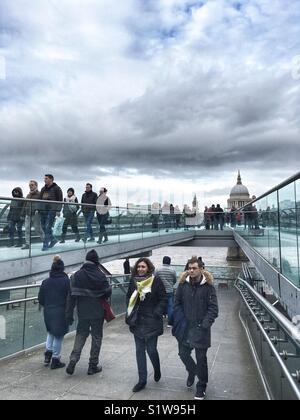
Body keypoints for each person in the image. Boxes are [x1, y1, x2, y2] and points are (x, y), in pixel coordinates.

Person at [173, 256, 218, 400]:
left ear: (201, 269)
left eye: (194, 268)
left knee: (201, 359)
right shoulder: (182, 285)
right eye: (189, 268)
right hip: (185, 327)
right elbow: (176, 303)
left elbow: (213, 309)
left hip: (201, 328)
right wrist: (180, 319)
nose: (191, 270)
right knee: (183, 354)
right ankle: (192, 371)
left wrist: (204, 324)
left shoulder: (208, 287)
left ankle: (201, 386)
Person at [66, 249, 112, 376]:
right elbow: (107, 292)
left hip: (82, 311)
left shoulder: (76, 275)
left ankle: (73, 359)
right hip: (97, 311)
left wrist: (68, 314)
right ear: (96, 261)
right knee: (96, 337)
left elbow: (71, 297)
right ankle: (93, 365)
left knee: (81, 334)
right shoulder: (100, 275)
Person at [126, 258, 167, 393]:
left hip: (152, 321)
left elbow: (163, 299)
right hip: (137, 321)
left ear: (148, 268)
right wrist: (130, 311)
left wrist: (157, 312)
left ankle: (157, 368)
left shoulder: (156, 281)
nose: (140, 269)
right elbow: (128, 297)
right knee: (139, 351)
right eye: (138, 267)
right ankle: (142, 380)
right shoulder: (133, 281)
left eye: (143, 267)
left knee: (151, 350)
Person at [38, 255, 70, 370]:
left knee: (50, 332)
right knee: (59, 335)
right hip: (61, 311)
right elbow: (70, 298)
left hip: (48, 311)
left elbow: (40, 299)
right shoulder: (66, 281)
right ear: (62, 269)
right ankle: (55, 360)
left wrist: (47, 305)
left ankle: (48, 355)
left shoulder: (45, 282)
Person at [39, 174, 63, 251]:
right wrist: (38, 209)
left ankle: (45, 245)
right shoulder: (43, 189)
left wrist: (58, 210)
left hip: (52, 210)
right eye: (44, 178)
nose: (44, 180)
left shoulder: (57, 188)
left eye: (46, 178)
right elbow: (39, 200)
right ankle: (53, 239)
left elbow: (60, 200)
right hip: (43, 210)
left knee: (47, 227)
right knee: (43, 226)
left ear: (51, 179)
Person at [155, 256, 177, 327]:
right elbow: (174, 280)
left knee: (159, 305)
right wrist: (170, 284)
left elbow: (155, 279)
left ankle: (158, 321)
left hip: (159, 291)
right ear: (169, 262)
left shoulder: (158, 270)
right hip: (169, 290)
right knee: (170, 306)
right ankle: (170, 323)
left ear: (163, 261)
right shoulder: (172, 270)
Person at [22, 180, 44, 250]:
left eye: (32, 185)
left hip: (36, 214)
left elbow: (42, 204)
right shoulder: (28, 195)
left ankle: (45, 241)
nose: (30, 186)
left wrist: (38, 210)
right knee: (27, 229)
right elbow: (25, 205)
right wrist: (22, 214)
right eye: (29, 185)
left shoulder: (39, 194)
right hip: (28, 214)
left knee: (38, 229)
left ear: (36, 186)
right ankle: (27, 244)